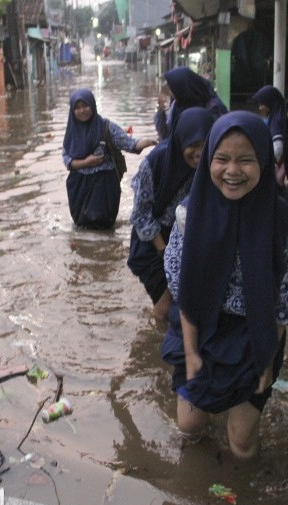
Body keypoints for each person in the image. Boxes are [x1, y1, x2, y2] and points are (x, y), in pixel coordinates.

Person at [161, 111, 288, 460]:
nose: (232, 170)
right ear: (209, 159)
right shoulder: (189, 215)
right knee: (191, 428)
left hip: (254, 335)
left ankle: (242, 503)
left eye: (246, 160)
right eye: (222, 159)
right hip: (198, 328)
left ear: (264, 162)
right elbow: (182, 288)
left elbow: (287, 302)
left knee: (242, 442)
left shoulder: (281, 223)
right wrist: (193, 353)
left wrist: (267, 360)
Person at [128, 107, 215, 322]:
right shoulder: (156, 162)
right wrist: (165, 250)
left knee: (181, 306)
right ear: (181, 140)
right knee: (165, 309)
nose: (199, 152)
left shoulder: (214, 163)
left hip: (190, 240)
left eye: (205, 145)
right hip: (153, 242)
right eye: (193, 145)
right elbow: (140, 213)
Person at [62, 88, 156, 229]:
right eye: (77, 108)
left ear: (92, 106)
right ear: (72, 111)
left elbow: (130, 144)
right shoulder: (71, 132)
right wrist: (87, 162)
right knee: (81, 228)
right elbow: (68, 161)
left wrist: (149, 141)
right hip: (78, 186)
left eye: (85, 106)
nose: (82, 111)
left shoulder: (106, 127)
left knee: (103, 227)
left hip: (104, 185)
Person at [155, 67, 227, 140]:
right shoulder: (177, 106)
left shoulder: (214, 109)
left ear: (182, 89)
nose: (170, 93)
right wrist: (160, 110)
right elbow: (166, 137)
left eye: (172, 89)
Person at [253, 85, 287, 170]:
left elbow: (278, 149)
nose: (259, 108)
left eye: (262, 105)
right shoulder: (277, 116)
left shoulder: (276, 121)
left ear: (270, 102)